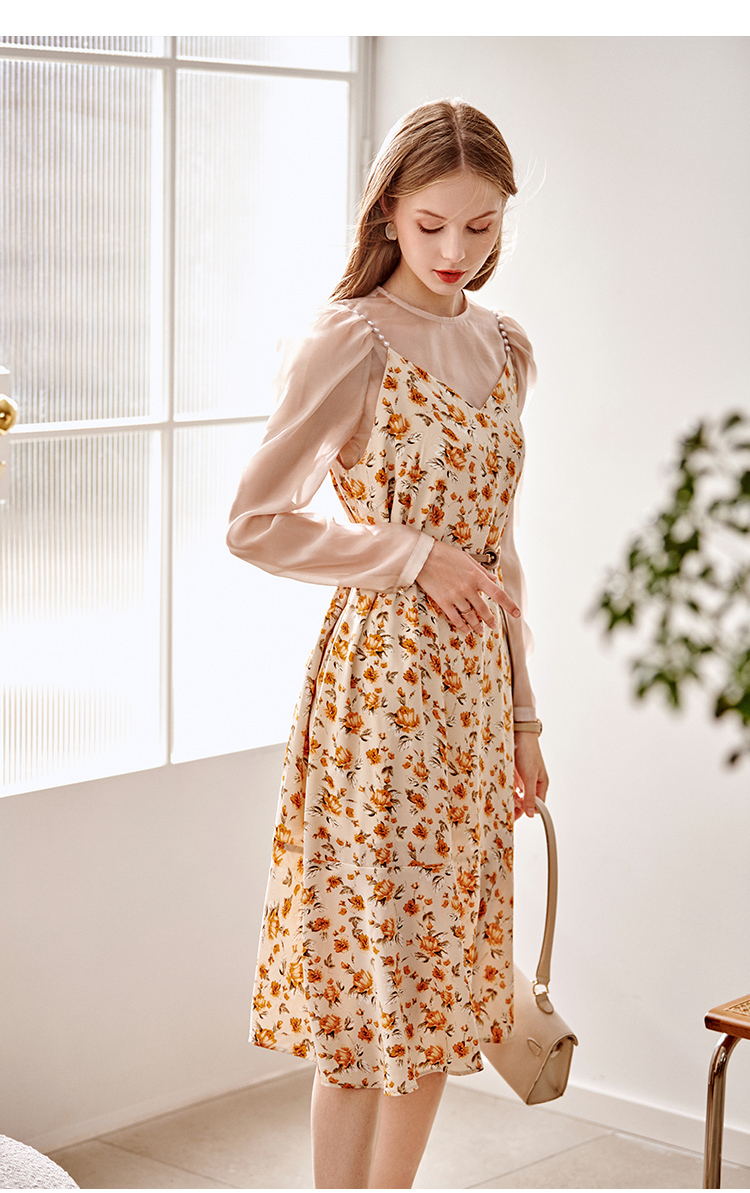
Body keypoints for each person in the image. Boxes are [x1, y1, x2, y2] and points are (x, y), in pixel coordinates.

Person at [226, 97, 549, 1189]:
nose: (457, 250)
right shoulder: (350, 338)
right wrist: (409, 554)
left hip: (472, 705)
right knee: (368, 992)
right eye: (431, 225)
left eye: (481, 225)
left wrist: (525, 716)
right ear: (389, 215)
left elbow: (503, 553)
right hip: (378, 697)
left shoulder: (504, 347)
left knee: (440, 983)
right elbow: (255, 521)